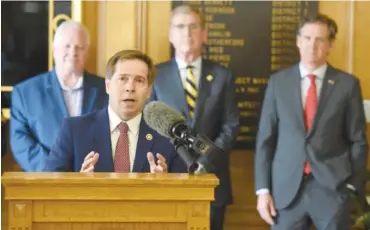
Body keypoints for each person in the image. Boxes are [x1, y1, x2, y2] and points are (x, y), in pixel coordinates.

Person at [255, 14, 368, 230]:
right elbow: (265, 140)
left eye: (320, 39)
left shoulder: (347, 85)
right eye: (307, 38)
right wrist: (263, 191)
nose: (312, 45)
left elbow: (358, 140)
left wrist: (352, 186)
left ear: (330, 45)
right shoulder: (278, 83)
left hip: (332, 191)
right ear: (298, 41)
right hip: (286, 193)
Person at [149, 5, 240, 230]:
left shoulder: (222, 76)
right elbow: (148, 124)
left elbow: (231, 126)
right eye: (180, 27)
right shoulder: (156, 76)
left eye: (193, 26)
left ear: (204, 33)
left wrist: (204, 163)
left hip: (212, 180)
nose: (187, 33)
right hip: (167, 179)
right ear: (170, 34)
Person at [43, 49, 187, 173]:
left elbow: (185, 192)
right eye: (123, 79)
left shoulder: (167, 137)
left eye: (139, 80)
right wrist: (79, 183)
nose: (130, 88)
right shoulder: (75, 130)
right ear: (108, 85)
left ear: (148, 90)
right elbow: (49, 185)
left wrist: (167, 183)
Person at [10, 20, 107, 172]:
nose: (73, 52)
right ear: (54, 50)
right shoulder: (25, 93)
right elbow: (20, 141)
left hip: (96, 183)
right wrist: (54, 173)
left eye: (79, 47)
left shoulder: (107, 89)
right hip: (46, 186)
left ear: (87, 52)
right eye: (67, 46)